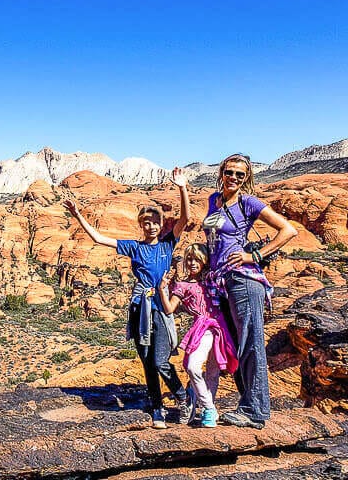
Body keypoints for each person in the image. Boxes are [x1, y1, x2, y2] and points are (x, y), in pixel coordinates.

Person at [63, 167, 191, 429]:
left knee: (160, 360)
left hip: (162, 308)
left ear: (160, 223)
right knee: (147, 361)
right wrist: (78, 215)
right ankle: (157, 408)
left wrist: (182, 187)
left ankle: (182, 397)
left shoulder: (168, 244)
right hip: (139, 308)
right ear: (141, 225)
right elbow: (99, 238)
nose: (151, 226)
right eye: (146, 222)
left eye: (155, 222)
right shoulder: (134, 246)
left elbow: (185, 219)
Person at [202, 153, 297, 429]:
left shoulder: (248, 202)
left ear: (247, 178)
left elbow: (287, 230)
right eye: (229, 172)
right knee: (234, 344)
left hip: (244, 280)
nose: (233, 178)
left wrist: (253, 256)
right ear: (221, 172)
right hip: (221, 282)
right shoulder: (213, 201)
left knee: (250, 342)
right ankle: (247, 404)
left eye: (240, 175)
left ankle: (255, 411)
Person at [158, 243, 238, 428]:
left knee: (213, 371)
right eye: (189, 259)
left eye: (196, 259)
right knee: (194, 367)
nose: (192, 263)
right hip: (202, 328)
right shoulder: (183, 285)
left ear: (204, 261)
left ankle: (203, 407)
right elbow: (169, 309)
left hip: (221, 327)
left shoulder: (213, 278)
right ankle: (209, 408)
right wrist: (163, 289)